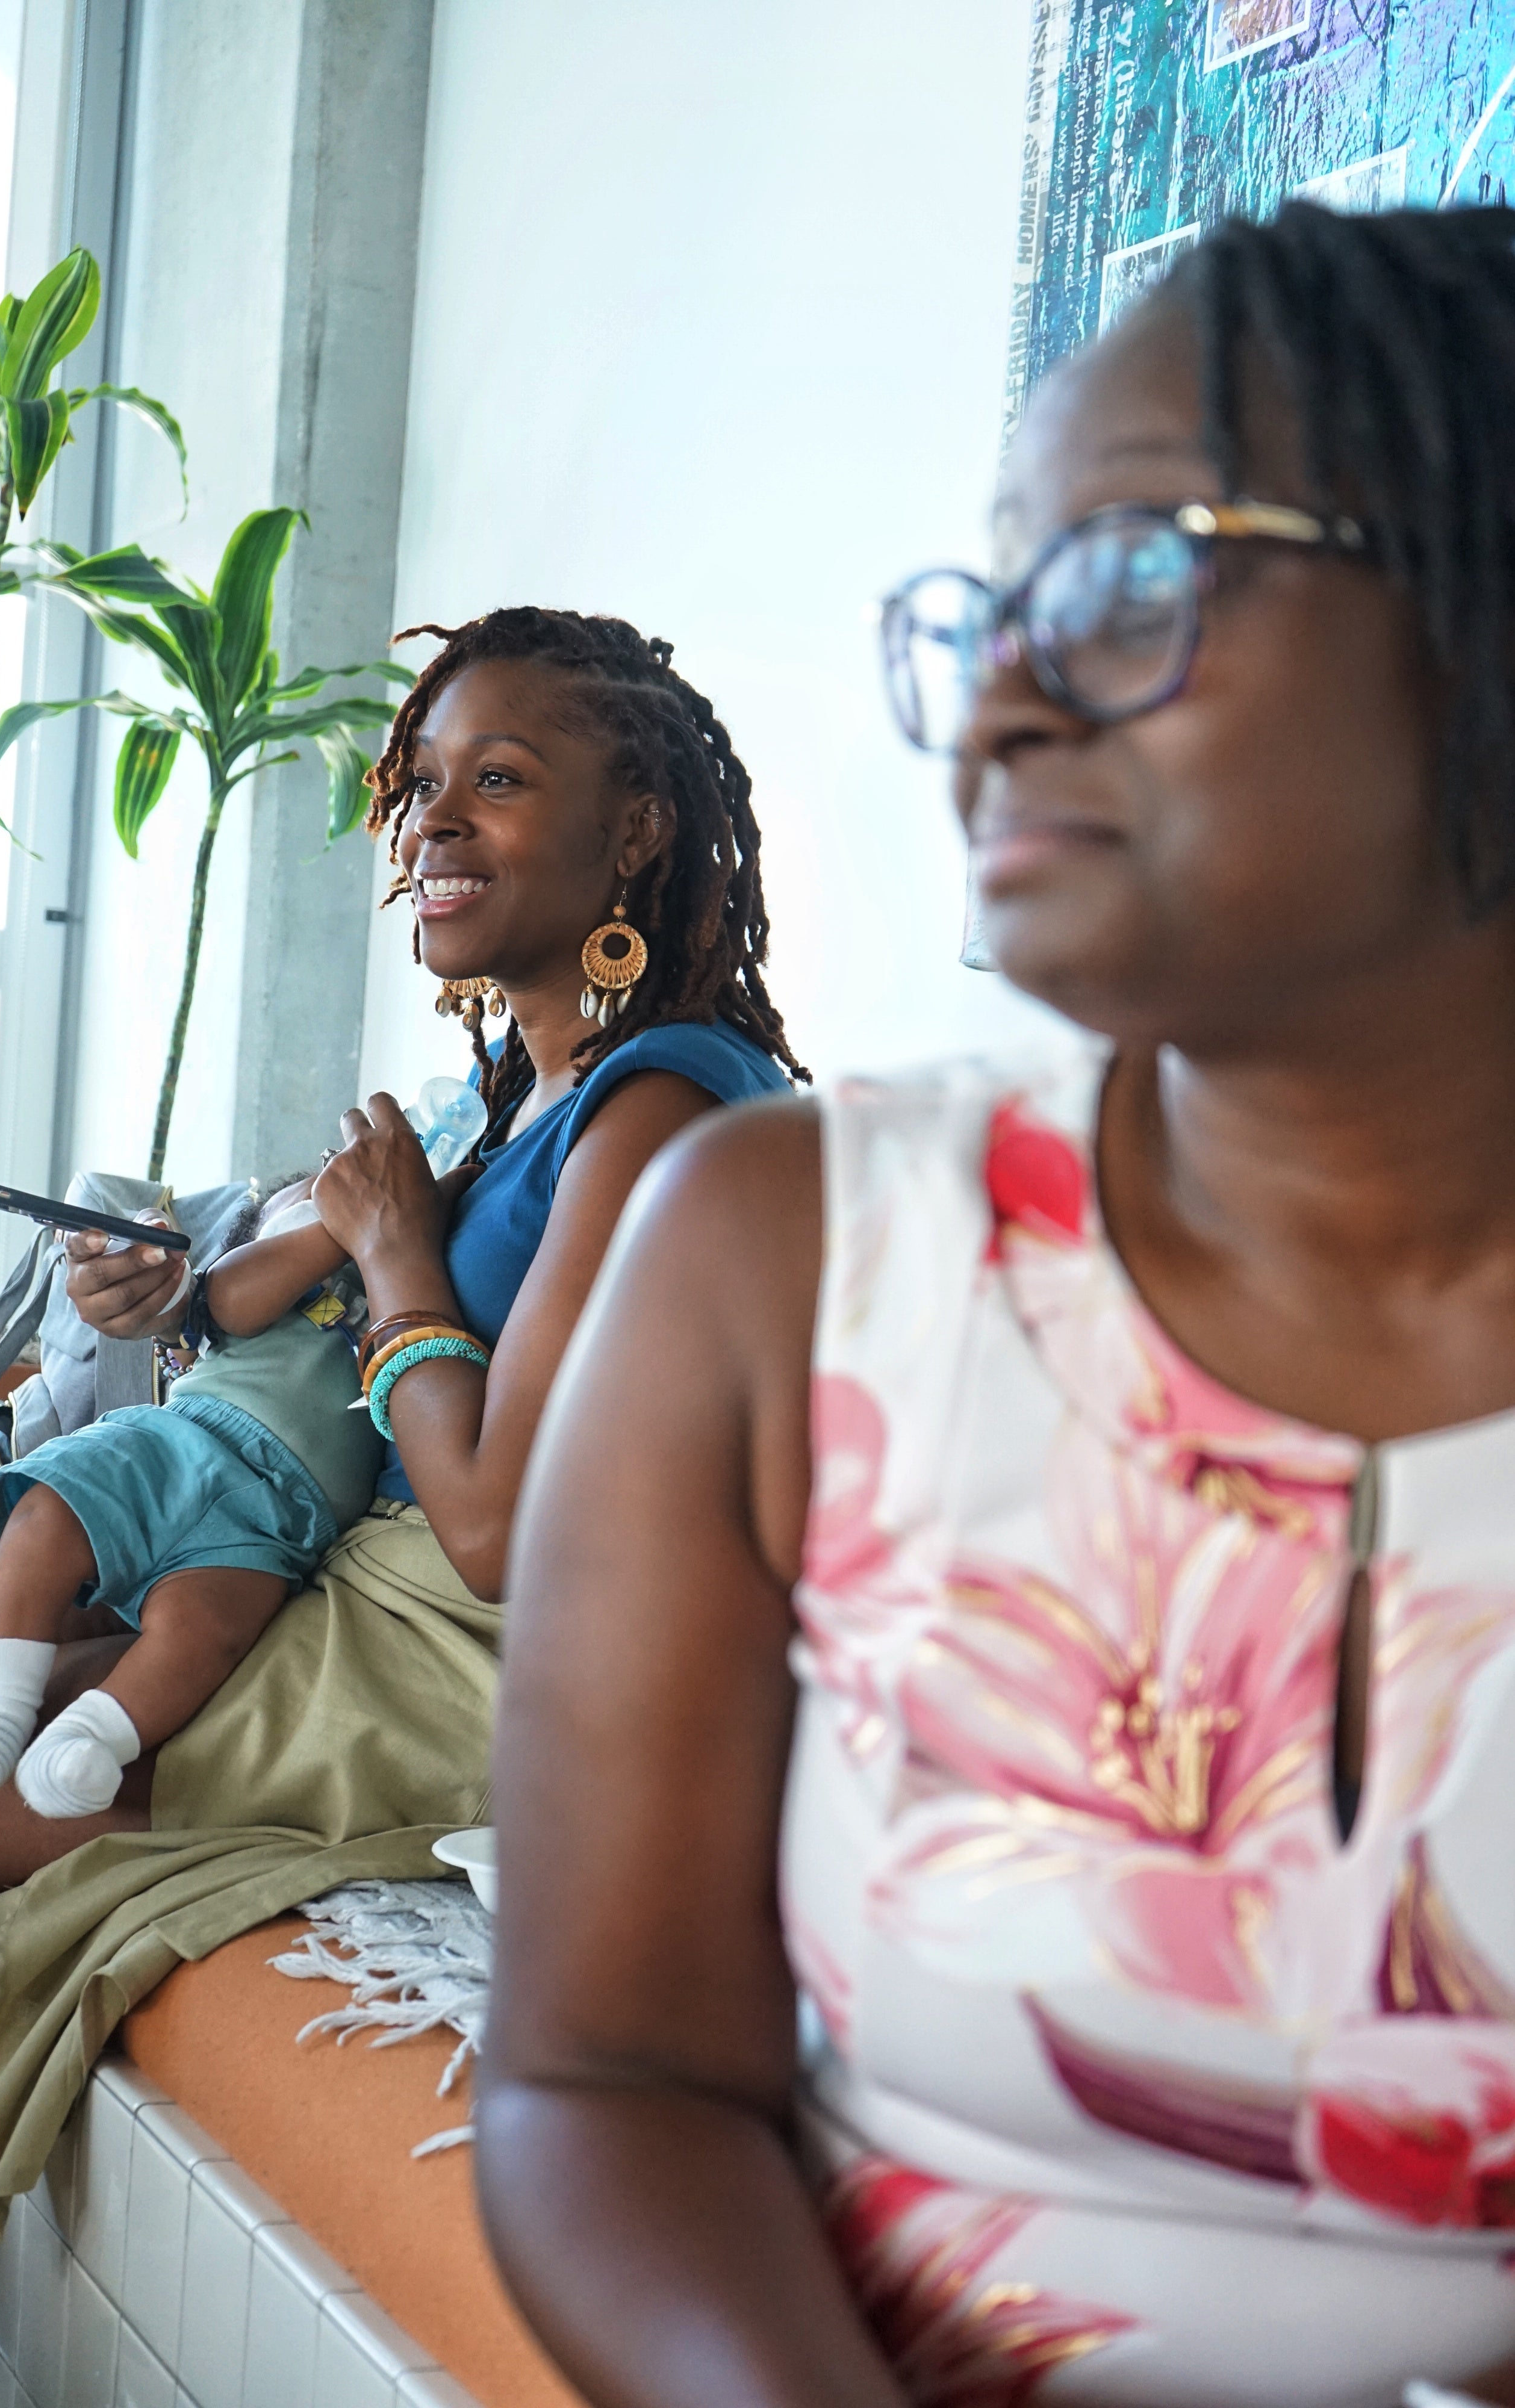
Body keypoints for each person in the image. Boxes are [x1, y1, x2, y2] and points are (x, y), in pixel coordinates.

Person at [478, 205, 1515, 2406]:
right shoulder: (789, 1252)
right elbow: (604, 2073)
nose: (1001, 702)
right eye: (989, 604)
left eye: (1135, 570)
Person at [0, 607, 806, 2245]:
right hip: (320, 1535)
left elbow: (492, 1523)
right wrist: (177, 1298)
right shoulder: (513, 1090)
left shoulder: (668, 1106)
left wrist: (397, 1254)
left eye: (500, 780)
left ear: (636, 833)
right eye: (422, 787)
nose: (433, 823)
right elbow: (346, 1338)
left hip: (464, 1641)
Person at [0, 1177, 381, 1818]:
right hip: (179, 1447)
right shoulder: (249, 1290)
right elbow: (237, 1294)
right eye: (310, 1191)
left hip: (277, 1517)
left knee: (207, 1631)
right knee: (46, 1519)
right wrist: (346, 1220)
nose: (336, 1187)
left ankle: (89, 1738)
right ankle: (0, 1707)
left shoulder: (392, 1290)